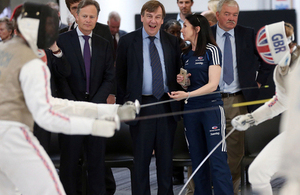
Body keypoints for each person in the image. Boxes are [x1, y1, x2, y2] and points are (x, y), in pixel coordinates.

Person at [0, 2, 137, 194]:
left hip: (13, 136)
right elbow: (47, 112)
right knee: (47, 188)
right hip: (15, 136)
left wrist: (107, 109)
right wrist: (93, 124)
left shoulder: (10, 51)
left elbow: (53, 101)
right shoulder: (31, 61)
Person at [116, 1, 182, 194]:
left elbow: (178, 73)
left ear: (162, 20)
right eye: (150, 16)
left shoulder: (171, 42)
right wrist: (125, 107)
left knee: (165, 161)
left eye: (158, 17)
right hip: (140, 106)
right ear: (143, 17)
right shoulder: (128, 41)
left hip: (166, 106)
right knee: (141, 162)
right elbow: (120, 76)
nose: (153, 21)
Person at [168, 14, 233, 195]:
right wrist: (183, 82)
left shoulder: (212, 50)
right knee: (197, 160)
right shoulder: (185, 54)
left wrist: (187, 93)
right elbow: (189, 84)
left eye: (185, 26)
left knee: (217, 158)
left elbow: (212, 85)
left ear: (197, 29)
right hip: (191, 110)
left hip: (210, 108)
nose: (182, 30)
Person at [211, 0, 271, 193]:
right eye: (227, 14)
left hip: (238, 100)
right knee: (209, 149)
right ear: (218, 14)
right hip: (210, 101)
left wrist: (259, 82)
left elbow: (267, 59)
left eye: (235, 15)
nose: (231, 18)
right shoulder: (206, 34)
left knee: (235, 153)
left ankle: (230, 190)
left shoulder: (247, 33)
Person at [56, 0, 115, 194]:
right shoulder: (62, 41)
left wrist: (94, 104)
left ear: (97, 19)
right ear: (76, 16)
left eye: (92, 17)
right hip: (70, 112)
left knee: (97, 165)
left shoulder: (104, 44)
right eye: (84, 16)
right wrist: (75, 104)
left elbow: (109, 77)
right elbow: (60, 77)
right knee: (70, 165)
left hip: (96, 112)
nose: (88, 20)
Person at [231, 21, 296, 195]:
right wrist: (252, 118)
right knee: (257, 172)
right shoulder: (279, 72)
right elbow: (281, 101)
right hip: (295, 133)